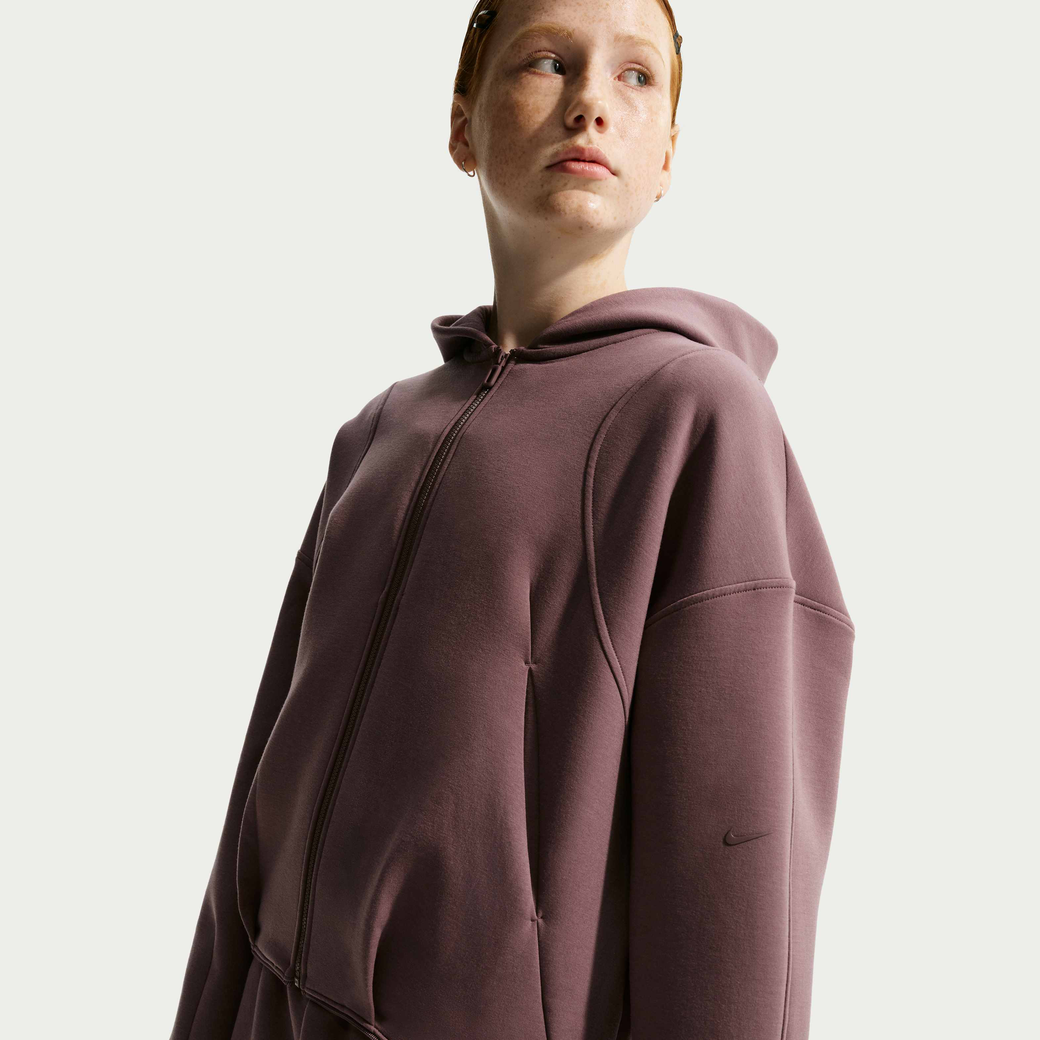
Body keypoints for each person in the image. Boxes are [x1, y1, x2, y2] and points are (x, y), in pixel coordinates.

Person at [168, 1, 856, 1038]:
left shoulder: (697, 419)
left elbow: (735, 866)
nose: (591, 103)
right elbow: (260, 788)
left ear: (667, 155)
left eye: (635, 75)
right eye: (546, 61)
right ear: (463, 123)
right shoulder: (376, 434)